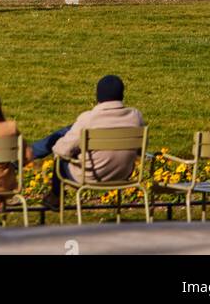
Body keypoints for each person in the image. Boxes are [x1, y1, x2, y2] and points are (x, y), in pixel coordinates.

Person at [31, 75, 145, 209]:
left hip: (90, 176)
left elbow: (61, 150)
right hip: (123, 174)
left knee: (60, 159)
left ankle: (56, 197)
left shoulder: (88, 119)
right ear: (122, 95)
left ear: (98, 96)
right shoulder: (136, 117)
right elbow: (140, 149)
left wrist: (74, 152)